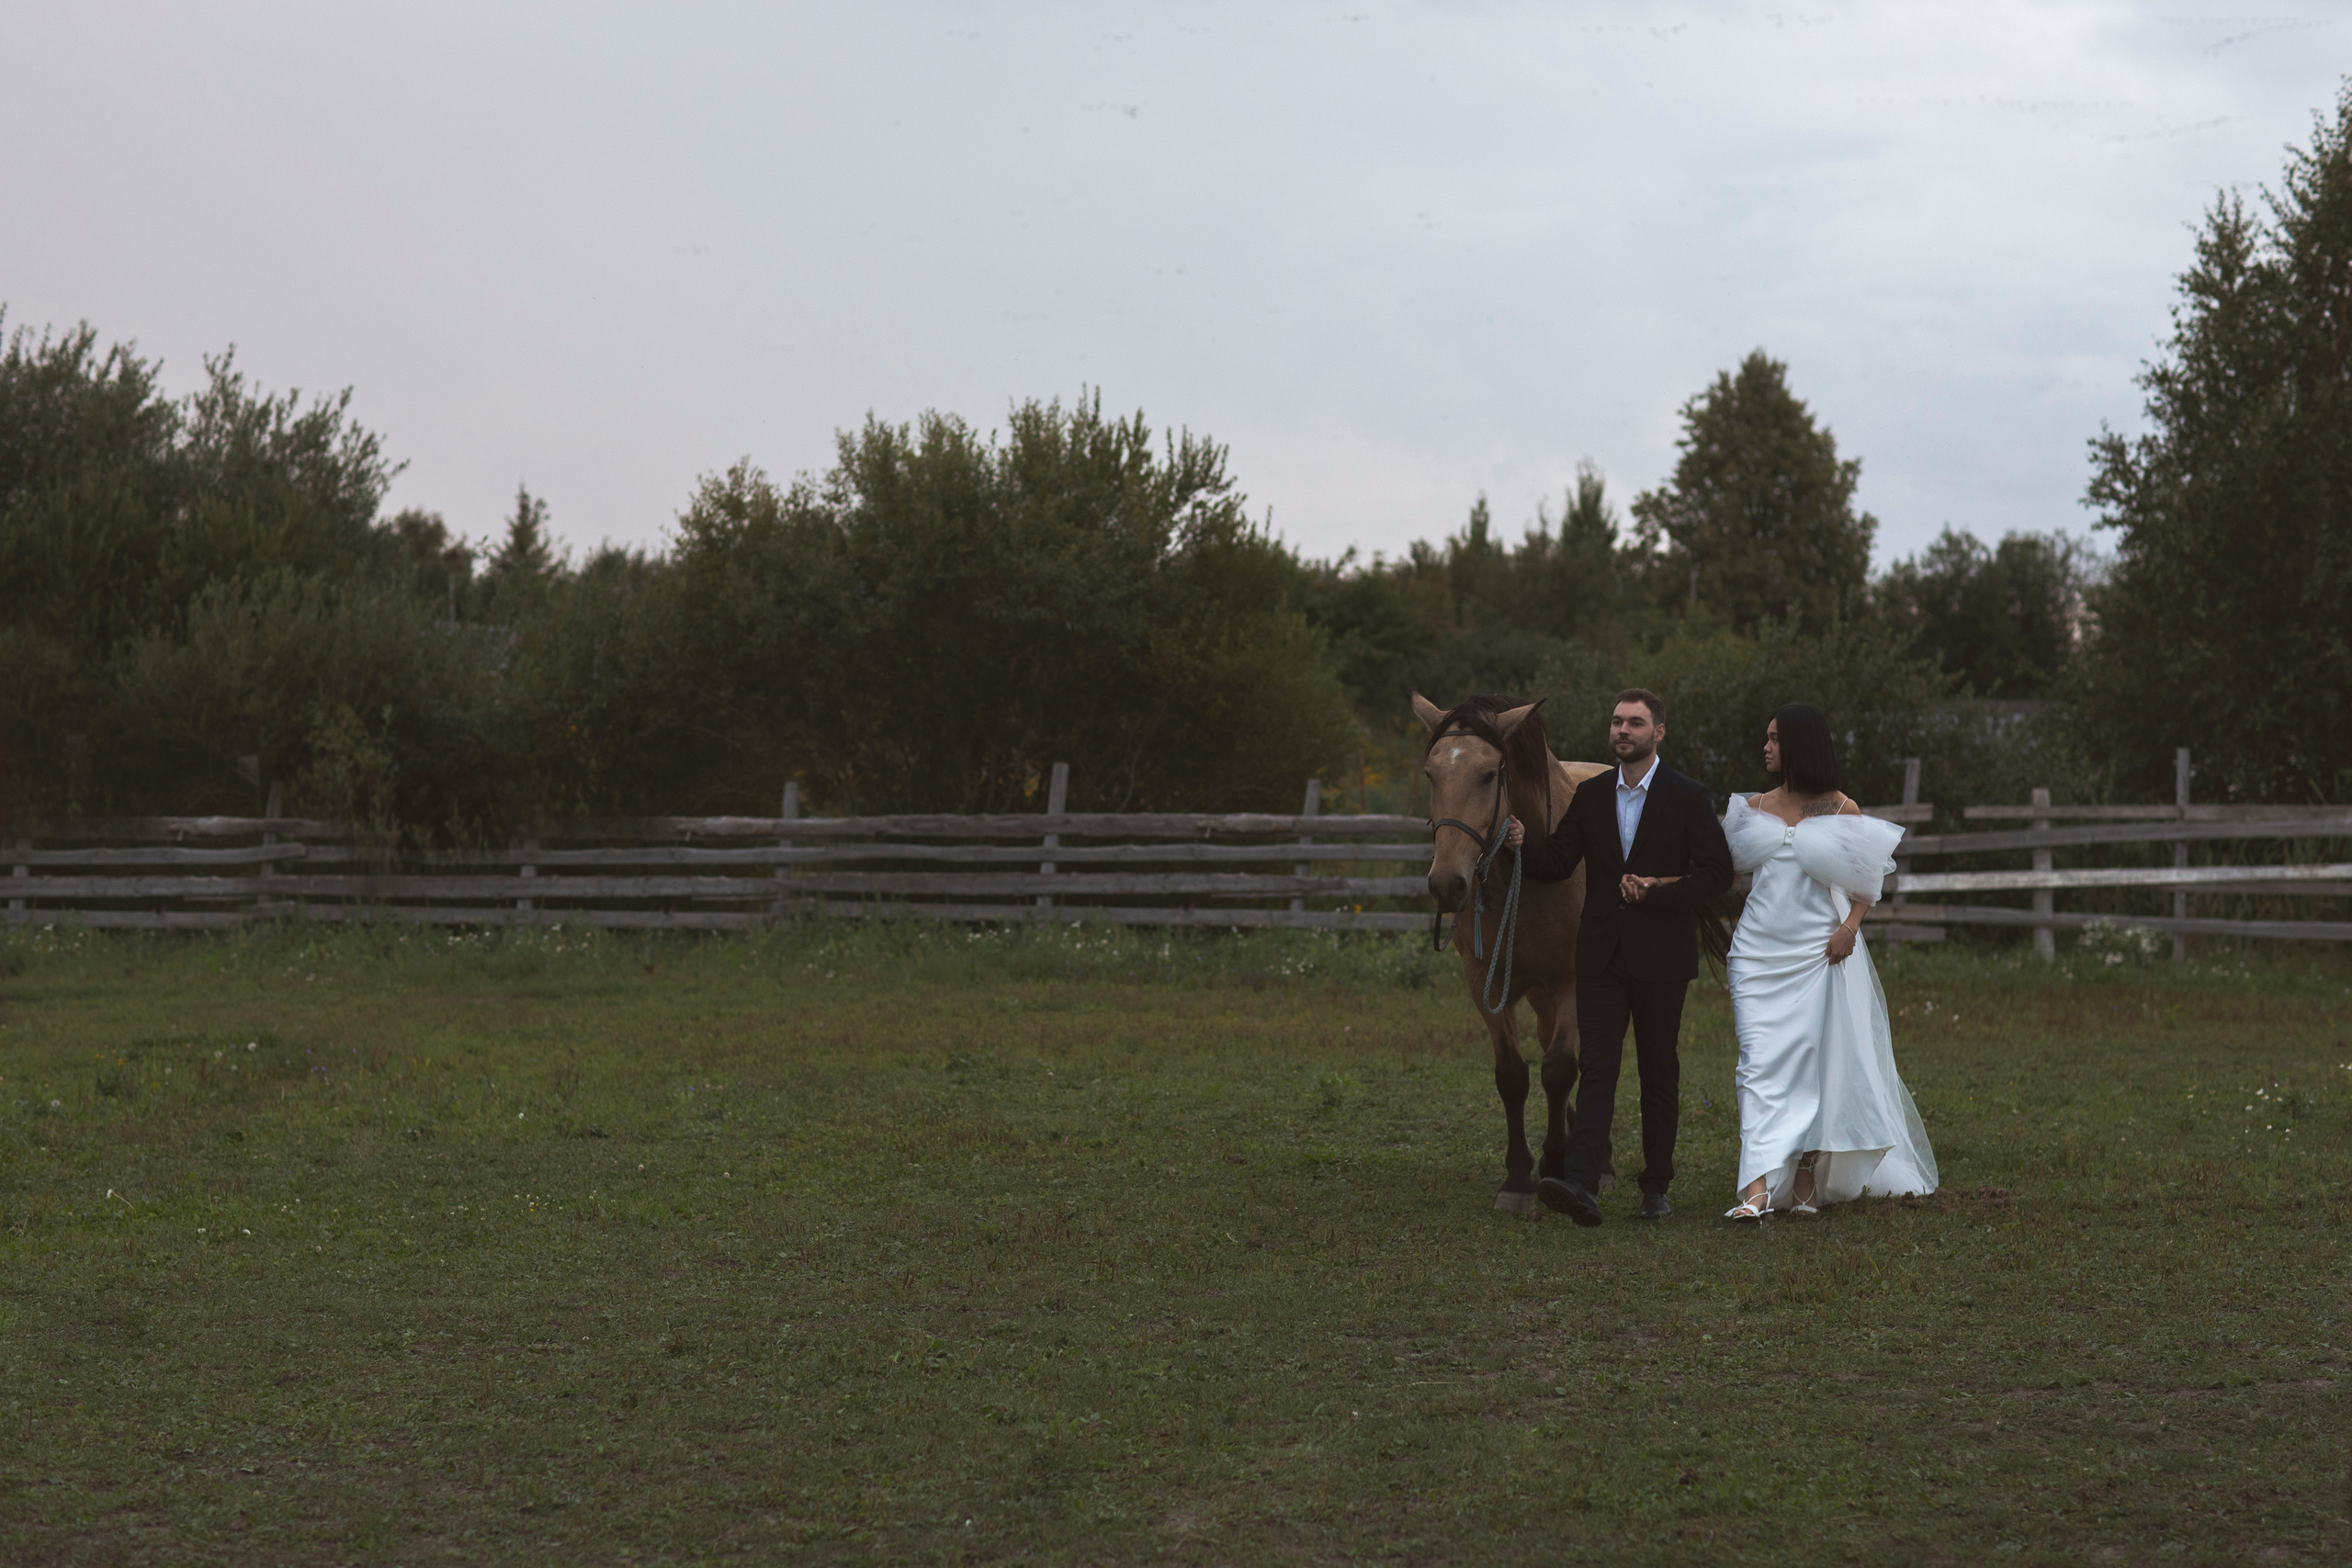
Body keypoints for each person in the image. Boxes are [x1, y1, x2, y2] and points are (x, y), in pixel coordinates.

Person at [1499, 688, 1733, 1225]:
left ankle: (1656, 1186)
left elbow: (1717, 876)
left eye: (1635, 723)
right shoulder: (1594, 795)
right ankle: (1582, 1183)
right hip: (1601, 956)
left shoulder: (1687, 796)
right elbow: (1558, 862)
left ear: (1659, 733)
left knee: (1657, 1070)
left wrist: (1657, 891)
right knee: (1596, 1067)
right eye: (1616, 722)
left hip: (1662, 957)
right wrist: (1519, 844)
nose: (1622, 731)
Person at [1718, 704, 1938, 1221]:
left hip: (1818, 953)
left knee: (1817, 1066)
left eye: (1774, 739)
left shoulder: (1843, 810)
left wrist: (1849, 928)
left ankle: (1804, 1175)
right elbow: (1719, 874)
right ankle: (1753, 1187)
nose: (1765, 748)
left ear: (1800, 745)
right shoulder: (1752, 807)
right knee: (1757, 1065)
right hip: (1756, 953)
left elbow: (1867, 882)